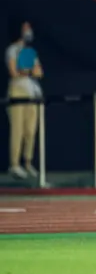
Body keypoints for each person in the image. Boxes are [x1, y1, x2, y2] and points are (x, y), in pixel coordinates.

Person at [6, 21, 42, 180]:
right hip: (17, 91)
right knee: (17, 129)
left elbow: (39, 72)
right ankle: (14, 164)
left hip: (32, 92)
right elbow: (14, 72)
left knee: (30, 130)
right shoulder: (12, 50)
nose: (29, 32)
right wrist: (28, 70)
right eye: (26, 29)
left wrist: (28, 70)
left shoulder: (31, 52)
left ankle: (27, 163)